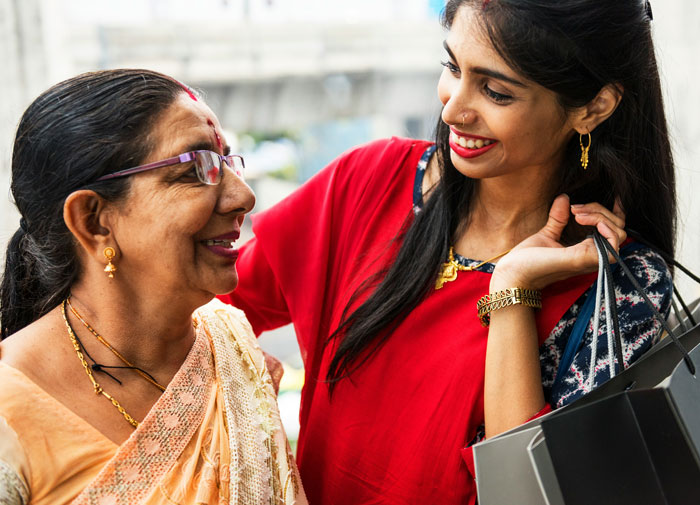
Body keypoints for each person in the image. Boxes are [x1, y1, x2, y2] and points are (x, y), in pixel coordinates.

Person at [220, 0, 673, 503]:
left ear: (592, 108)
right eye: (452, 68)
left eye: (496, 91)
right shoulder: (371, 180)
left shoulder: (621, 282)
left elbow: (527, 491)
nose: (453, 108)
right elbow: (213, 305)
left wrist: (512, 289)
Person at [0, 70, 307, 505]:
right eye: (196, 168)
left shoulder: (232, 349)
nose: (243, 197)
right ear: (93, 220)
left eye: (227, 162)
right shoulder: (9, 414)